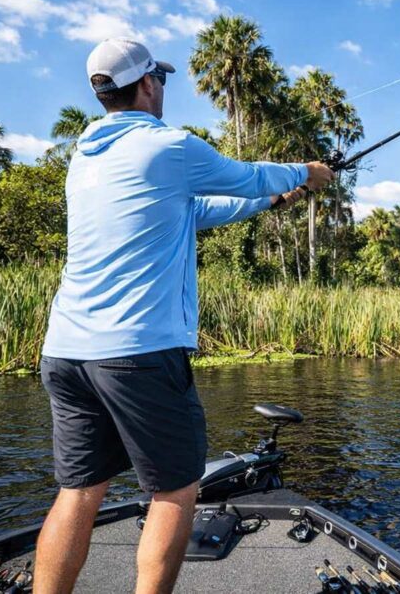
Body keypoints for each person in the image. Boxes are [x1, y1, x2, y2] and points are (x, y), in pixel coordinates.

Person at [34, 38, 334, 594]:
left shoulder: (85, 157)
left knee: (78, 491)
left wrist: (273, 201)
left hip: (67, 352)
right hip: (138, 353)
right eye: (163, 80)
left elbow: (195, 209)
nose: (165, 89)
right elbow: (243, 175)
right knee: (174, 491)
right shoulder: (168, 145)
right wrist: (307, 172)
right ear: (148, 83)